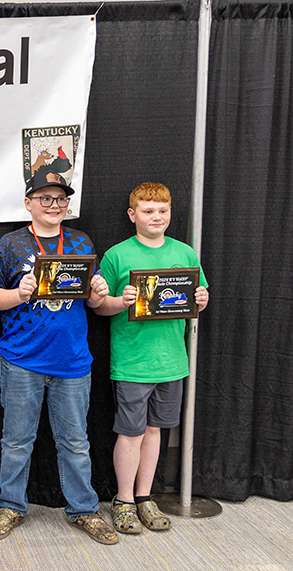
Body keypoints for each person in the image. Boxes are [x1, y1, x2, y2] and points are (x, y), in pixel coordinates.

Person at [0, 170, 118, 545]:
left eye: (60, 199)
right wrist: (18, 294)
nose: (54, 205)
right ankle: (9, 505)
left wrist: (98, 291)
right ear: (29, 203)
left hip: (72, 361)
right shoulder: (10, 245)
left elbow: (95, 302)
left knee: (75, 443)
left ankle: (84, 510)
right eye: (45, 198)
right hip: (21, 359)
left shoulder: (80, 241)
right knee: (16, 441)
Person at [93, 182, 208, 534]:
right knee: (130, 432)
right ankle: (124, 500)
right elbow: (98, 305)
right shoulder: (117, 255)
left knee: (155, 430)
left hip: (172, 361)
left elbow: (197, 299)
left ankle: (144, 497)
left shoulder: (185, 253)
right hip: (132, 362)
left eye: (162, 211)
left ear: (170, 213)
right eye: (147, 211)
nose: (156, 217)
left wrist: (202, 299)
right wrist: (120, 301)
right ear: (133, 215)